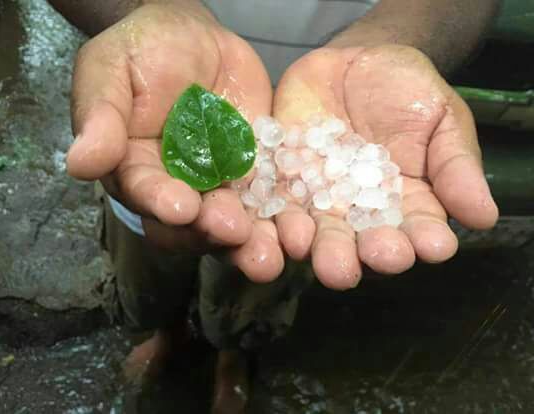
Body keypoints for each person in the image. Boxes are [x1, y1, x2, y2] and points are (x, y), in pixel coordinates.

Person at [47, 0, 501, 412]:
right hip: (153, 120)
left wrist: (390, 39)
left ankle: (232, 354)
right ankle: (167, 336)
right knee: (149, 271)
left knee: (255, 284)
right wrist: (146, 12)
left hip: (305, 168)